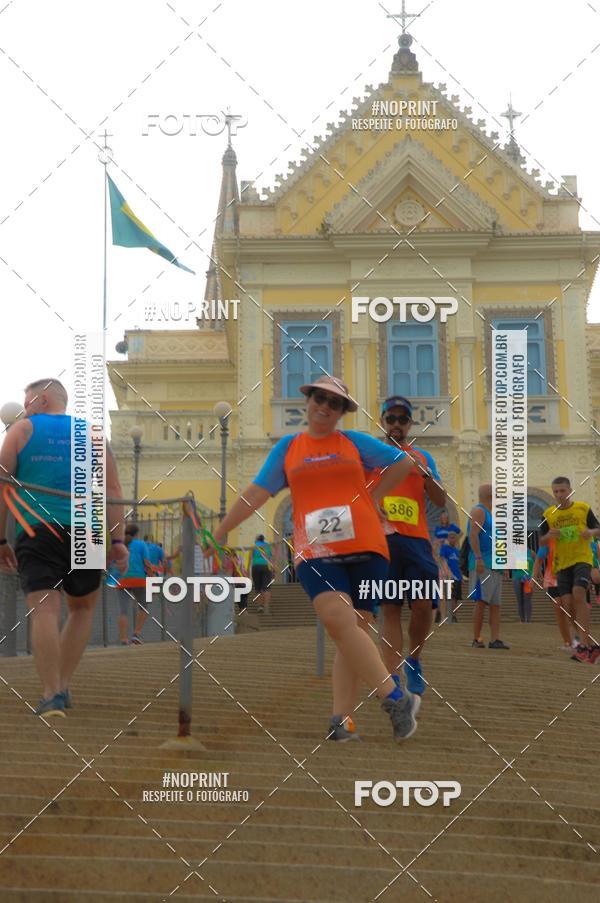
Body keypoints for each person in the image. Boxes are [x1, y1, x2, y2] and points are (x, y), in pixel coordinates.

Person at [211, 375, 419, 743]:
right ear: (307, 402)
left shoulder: (353, 443)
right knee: (338, 619)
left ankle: (342, 720)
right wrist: (222, 529)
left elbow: (402, 464)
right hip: (316, 549)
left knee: (349, 632)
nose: (325, 406)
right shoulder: (289, 449)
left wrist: (372, 498)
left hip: (368, 547)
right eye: (319, 398)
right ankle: (394, 696)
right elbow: (257, 492)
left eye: (334, 402)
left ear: (342, 411)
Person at [0, 378, 129, 717]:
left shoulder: (21, 430)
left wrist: (1, 539)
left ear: (41, 399)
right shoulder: (94, 435)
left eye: (26, 400)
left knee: (44, 609)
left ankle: (51, 692)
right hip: (89, 529)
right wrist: (118, 541)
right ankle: (63, 685)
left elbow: (2, 486)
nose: (23, 407)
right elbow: (113, 490)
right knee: (82, 609)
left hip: (38, 528)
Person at [371, 395, 447, 698]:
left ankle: (414, 659)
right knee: (389, 609)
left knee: (423, 606)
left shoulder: (423, 458)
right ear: (383, 422)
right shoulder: (371, 458)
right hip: (382, 544)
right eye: (391, 419)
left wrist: (424, 473)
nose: (397, 425)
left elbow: (441, 500)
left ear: (410, 424)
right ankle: (393, 682)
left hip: (416, 543)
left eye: (403, 420)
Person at [539, 477, 600, 664]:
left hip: (582, 559)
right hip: (561, 564)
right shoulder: (548, 514)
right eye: (555, 491)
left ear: (570, 491)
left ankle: (582, 645)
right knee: (567, 604)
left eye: (562, 491)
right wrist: (549, 535)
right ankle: (590, 646)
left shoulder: (582, 508)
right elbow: (541, 541)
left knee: (579, 593)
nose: (559, 495)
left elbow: (598, 528)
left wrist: (590, 533)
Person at [468, 484, 509, 649]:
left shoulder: (491, 514)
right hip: (483, 563)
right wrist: (478, 558)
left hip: (495, 565)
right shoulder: (479, 511)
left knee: (495, 604)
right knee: (481, 601)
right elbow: (473, 534)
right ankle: (477, 638)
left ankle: (494, 639)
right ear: (489, 494)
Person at [533, 541, 572, 652]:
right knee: (558, 607)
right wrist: (534, 577)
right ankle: (568, 642)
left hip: (569, 577)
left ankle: (582, 641)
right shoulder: (548, 541)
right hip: (553, 578)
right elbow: (539, 559)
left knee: (570, 607)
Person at [116, 525, 151, 645]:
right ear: (137, 533)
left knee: (123, 611)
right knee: (144, 608)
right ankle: (136, 634)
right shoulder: (141, 544)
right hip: (138, 579)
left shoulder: (119, 544)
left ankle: (123, 639)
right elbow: (147, 563)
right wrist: (151, 575)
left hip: (122, 580)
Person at [439, 531, 462, 623]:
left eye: (454, 537)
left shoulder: (457, 551)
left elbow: (459, 564)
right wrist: (447, 571)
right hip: (449, 577)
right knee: (449, 596)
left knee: (456, 598)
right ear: (448, 539)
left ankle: (454, 616)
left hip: (458, 577)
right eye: (451, 537)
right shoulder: (445, 548)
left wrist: (461, 576)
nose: (452, 539)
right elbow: (442, 559)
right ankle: (446, 615)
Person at [250, 534, 273, 614]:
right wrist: (273, 569)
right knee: (266, 587)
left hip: (256, 566)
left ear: (257, 539)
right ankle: (266, 605)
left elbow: (251, 558)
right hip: (266, 566)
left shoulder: (254, 546)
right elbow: (270, 558)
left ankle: (260, 606)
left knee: (258, 588)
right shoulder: (268, 546)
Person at [511, 548, 535, 623]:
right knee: (520, 600)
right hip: (516, 577)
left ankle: (528, 620)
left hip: (528, 578)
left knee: (527, 599)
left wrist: (539, 577)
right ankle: (522, 620)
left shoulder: (531, 553)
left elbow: (537, 565)